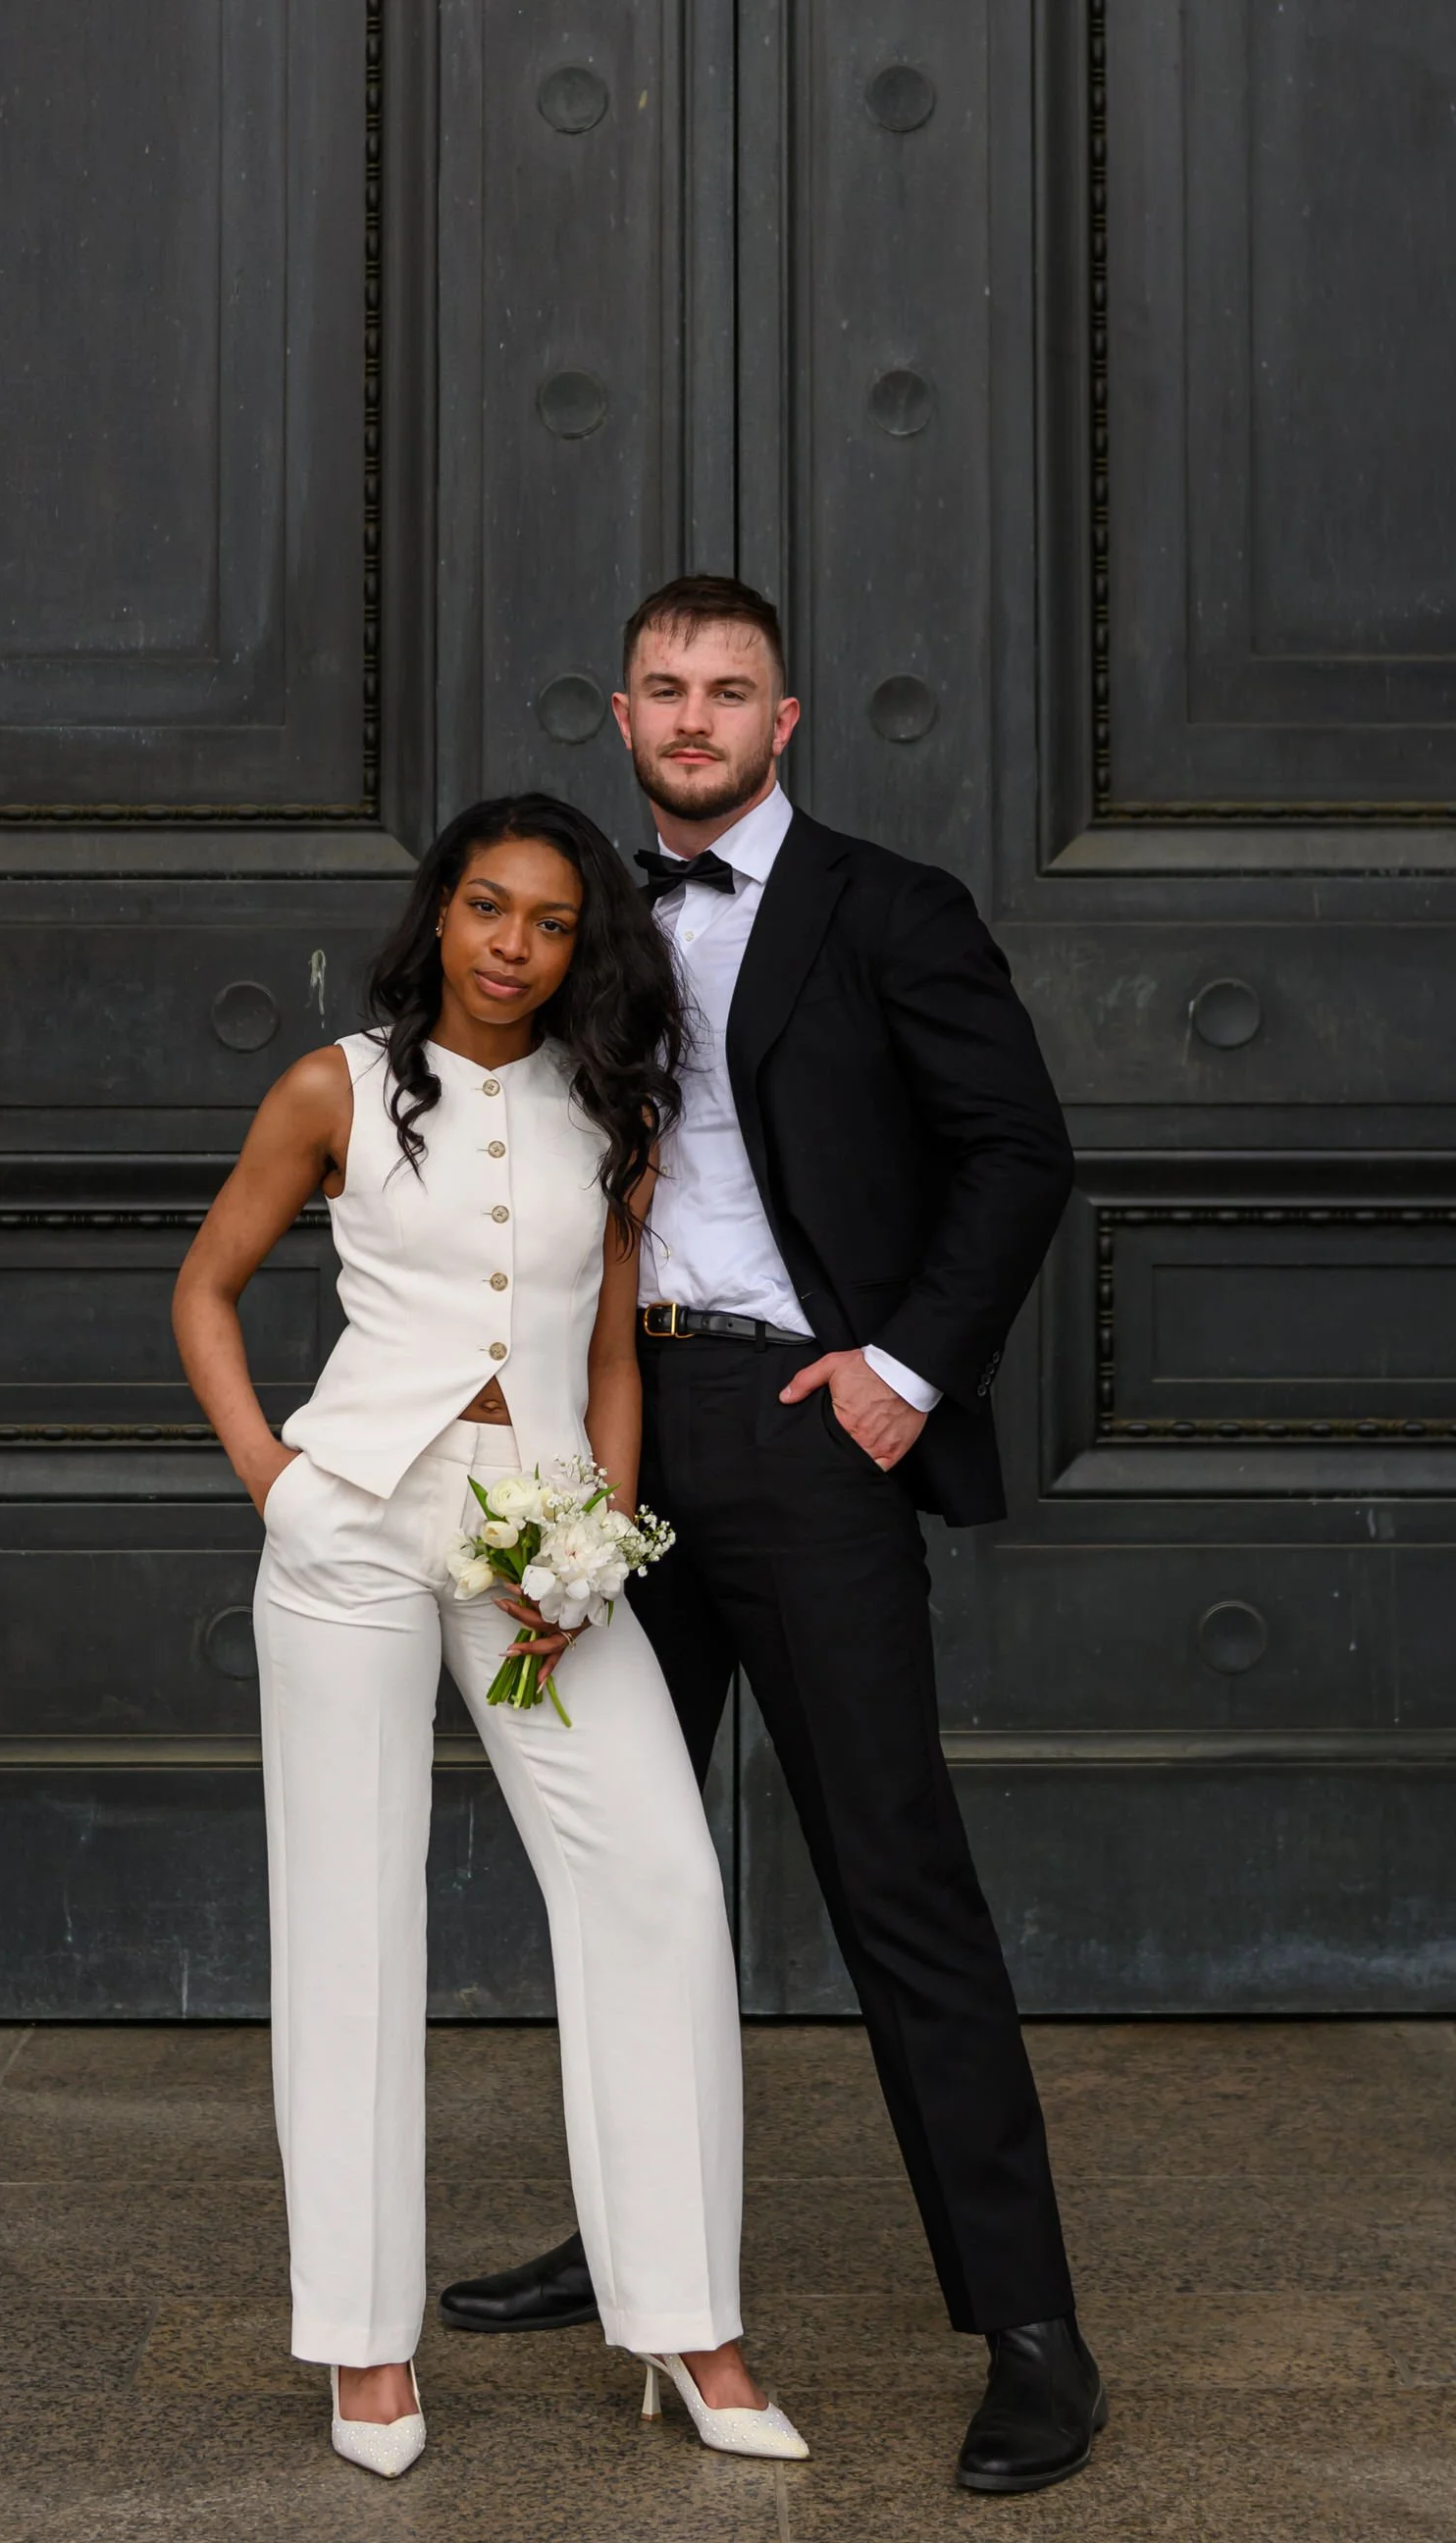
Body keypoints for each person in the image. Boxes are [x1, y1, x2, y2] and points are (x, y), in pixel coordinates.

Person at [438, 582, 1107, 2495]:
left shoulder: (890, 910)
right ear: (625, 708)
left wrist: (903, 1365)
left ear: (786, 719)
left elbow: (1022, 1148)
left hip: (806, 1429)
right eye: (666, 686)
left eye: (731, 690)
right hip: (610, 1438)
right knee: (622, 1867)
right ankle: (635, 2242)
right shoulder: (559, 915)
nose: (697, 714)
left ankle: (1039, 2335)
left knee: (898, 1884)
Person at [172, 793, 807, 2479]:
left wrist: (594, 1534)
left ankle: (689, 2324)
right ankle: (364, 2355)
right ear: (439, 915)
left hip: (546, 1544)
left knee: (660, 1887)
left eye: (547, 922)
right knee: (350, 1918)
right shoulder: (340, 1085)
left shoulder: (612, 1108)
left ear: (579, 945)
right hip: (355, 1522)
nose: (513, 947)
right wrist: (275, 1481)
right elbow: (204, 1288)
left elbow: (610, 1350)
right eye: (485, 909)